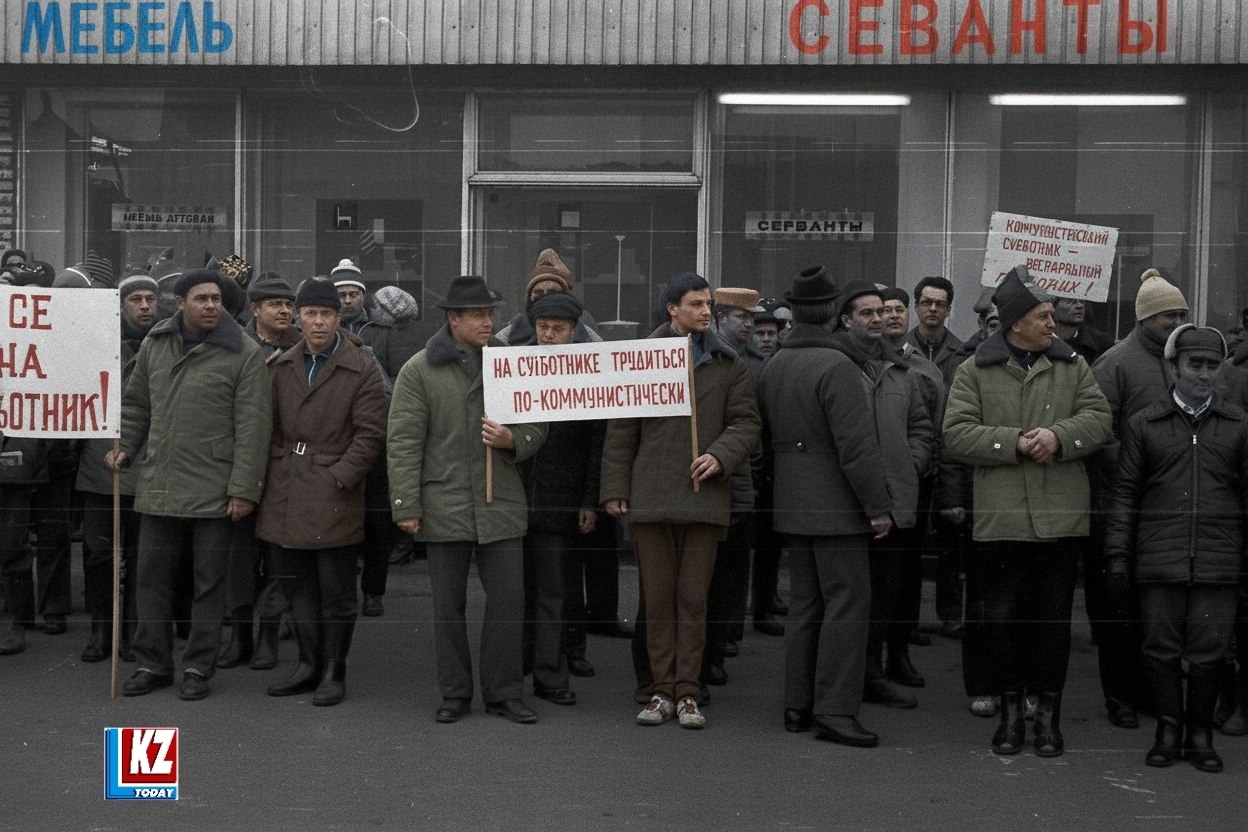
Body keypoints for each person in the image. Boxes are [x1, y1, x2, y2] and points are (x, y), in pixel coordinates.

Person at [944, 265, 1111, 757]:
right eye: (1043, 316)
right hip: (1002, 522)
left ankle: (1048, 720)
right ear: (1016, 322)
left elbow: (1099, 419)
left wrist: (1060, 437)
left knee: (1052, 626)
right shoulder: (973, 371)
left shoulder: (1073, 366)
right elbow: (956, 434)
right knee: (1003, 625)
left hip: (1061, 522)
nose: (1052, 323)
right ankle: (1012, 718)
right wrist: (1013, 442)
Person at [600, 271, 761, 730]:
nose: (707, 311)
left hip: (703, 498)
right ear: (672, 308)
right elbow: (621, 429)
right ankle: (660, 691)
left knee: (693, 599)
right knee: (656, 600)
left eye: (709, 304)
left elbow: (747, 422)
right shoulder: (641, 360)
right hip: (651, 499)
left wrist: (720, 455)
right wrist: (615, 489)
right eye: (696, 304)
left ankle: (688, 692)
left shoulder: (728, 363)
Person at [388, 275, 548, 724]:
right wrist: (406, 505)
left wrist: (513, 439)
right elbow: (402, 442)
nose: (488, 322)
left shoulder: (510, 363)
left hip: (502, 501)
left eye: (491, 314)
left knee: (508, 604)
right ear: (453, 319)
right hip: (444, 501)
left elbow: (539, 423)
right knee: (447, 608)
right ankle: (455, 693)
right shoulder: (419, 370)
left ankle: (504, 693)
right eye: (478, 315)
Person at [107, 268, 272, 701]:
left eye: (216, 298)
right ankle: (152, 664)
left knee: (209, 584)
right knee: (151, 581)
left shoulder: (244, 352)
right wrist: (125, 447)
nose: (211, 305)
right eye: (201, 298)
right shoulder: (156, 344)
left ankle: (198, 667)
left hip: (215, 488)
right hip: (160, 482)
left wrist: (244, 489)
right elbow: (137, 403)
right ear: (179, 303)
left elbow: (253, 427)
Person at [758, 265, 893, 747]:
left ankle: (798, 704)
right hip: (837, 505)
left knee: (806, 605)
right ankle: (835, 709)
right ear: (835, 312)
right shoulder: (838, 366)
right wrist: (877, 505)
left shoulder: (776, 363)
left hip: (792, 501)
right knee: (848, 604)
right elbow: (856, 448)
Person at [1103, 324, 1247, 774]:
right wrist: (1117, 554)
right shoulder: (1144, 424)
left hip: (1220, 559)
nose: (1203, 374)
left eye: (1212, 366)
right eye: (1194, 364)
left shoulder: (1239, 425)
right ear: (1174, 367)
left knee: (1210, 650)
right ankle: (1168, 731)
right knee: (1159, 648)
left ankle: (1199, 735)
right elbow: (1125, 494)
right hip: (1158, 557)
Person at [257, 279, 387, 706]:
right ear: (298, 317)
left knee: (336, 593)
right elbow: (266, 426)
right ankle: (308, 665)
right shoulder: (280, 366)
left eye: (326, 314)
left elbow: (370, 434)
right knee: (297, 589)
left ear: (338, 317)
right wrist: (274, 470)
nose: (318, 322)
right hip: (287, 489)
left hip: (333, 492)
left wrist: (339, 477)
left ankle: (334, 671)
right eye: (310, 313)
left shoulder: (361, 368)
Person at [1087, 268, 1190, 730]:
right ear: (1145, 317)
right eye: (1169, 315)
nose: (1178, 322)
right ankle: (1120, 697)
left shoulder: (1184, 360)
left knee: (1156, 610)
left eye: (1182, 314)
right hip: (1121, 508)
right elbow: (1098, 432)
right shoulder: (1114, 364)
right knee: (1119, 610)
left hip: (1166, 507)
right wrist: (1138, 467)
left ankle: (1149, 692)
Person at [835, 281, 936, 709]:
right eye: (868, 313)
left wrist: (910, 464)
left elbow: (920, 427)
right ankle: (856, 675)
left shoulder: (901, 371)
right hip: (849, 502)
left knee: (887, 591)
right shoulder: (836, 366)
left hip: (894, 501)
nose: (879, 319)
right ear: (845, 320)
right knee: (853, 597)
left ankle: (877, 670)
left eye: (882, 311)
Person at [516, 290, 605, 707]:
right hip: (516, 498)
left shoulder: (587, 375)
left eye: (558, 328)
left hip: (561, 500)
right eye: (542, 327)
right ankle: (520, 662)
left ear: (574, 331)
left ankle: (550, 674)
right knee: (517, 590)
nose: (548, 335)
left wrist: (589, 500)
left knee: (552, 590)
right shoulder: (513, 367)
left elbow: (596, 444)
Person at [74, 272, 159, 663]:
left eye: (150, 299)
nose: (144, 306)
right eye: (135, 299)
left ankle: (132, 632)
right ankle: (101, 630)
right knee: (99, 554)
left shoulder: (166, 344)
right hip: (101, 466)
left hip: (149, 464)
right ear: (121, 306)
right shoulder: (96, 346)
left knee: (143, 559)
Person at [907, 276, 963, 389]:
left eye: (940, 304)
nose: (933, 308)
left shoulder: (961, 353)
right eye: (926, 302)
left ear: (948, 310)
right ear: (916, 307)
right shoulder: (901, 350)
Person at [1053, 296, 1115, 365]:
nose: (1080, 306)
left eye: (1082, 301)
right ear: (1053, 307)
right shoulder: (1044, 341)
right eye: (1070, 301)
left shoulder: (1103, 343)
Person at [332, 259, 370, 334]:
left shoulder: (381, 326)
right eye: (341, 295)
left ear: (363, 296)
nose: (347, 301)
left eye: (354, 294)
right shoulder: (324, 327)